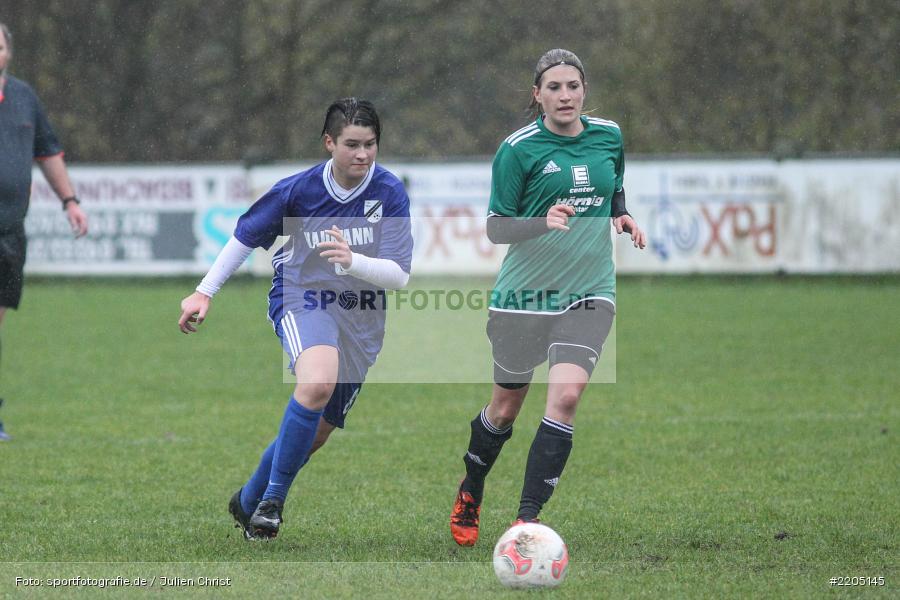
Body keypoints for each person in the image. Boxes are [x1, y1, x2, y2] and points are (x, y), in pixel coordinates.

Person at [178, 98, 412, 539]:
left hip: (362, 318)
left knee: (318, 432)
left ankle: (248, 500)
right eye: (352, 145)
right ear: (329, 143)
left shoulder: (389, 192)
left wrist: (352, 261)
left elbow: (399, 276)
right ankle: (272, 503)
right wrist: (204, 292)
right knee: (317, 383)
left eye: (371, 145)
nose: (363, 155)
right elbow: (246, 236)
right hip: (305, 296)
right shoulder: (299, 190)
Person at [450, 49, 647, 546]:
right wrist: (544, 222)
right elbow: (496, 228)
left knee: (566, 396)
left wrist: (619, 214)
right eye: (554, 87)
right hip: (523, 298)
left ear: (584, 90)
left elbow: (614, 185)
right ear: (536, 94)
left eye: (573, 86)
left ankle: (526, 522)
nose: (565, 95)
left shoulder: (609, 136)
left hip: (589, 292)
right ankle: (472, 487)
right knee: (504, 410)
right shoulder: (517, 150)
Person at [0, 22, 89, 441]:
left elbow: (48, 151)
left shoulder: (23, 97)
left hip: (9, 231)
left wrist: (69, 201)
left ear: (8, 52)